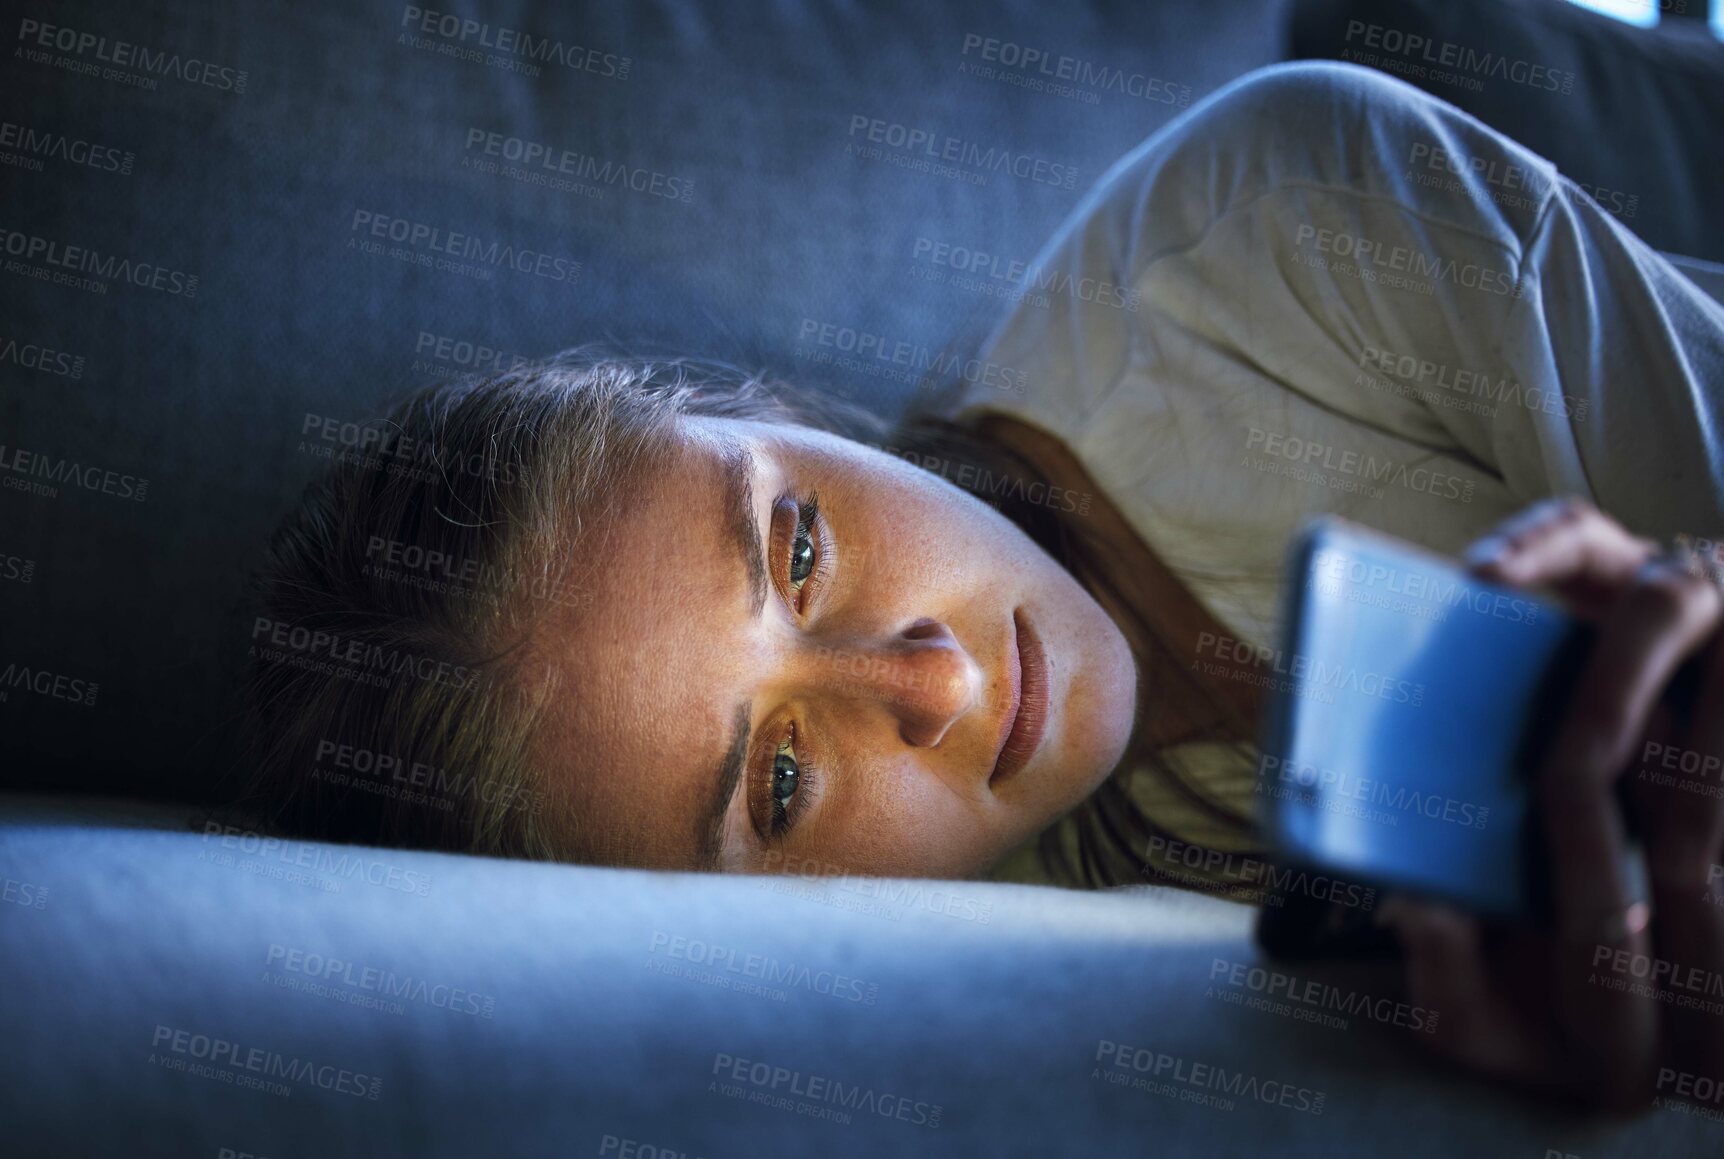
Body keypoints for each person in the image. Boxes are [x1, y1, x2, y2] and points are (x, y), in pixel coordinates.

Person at [238, 63, 1724, 1107]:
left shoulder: (1279, 224)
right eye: (777, 789)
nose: (937, 679)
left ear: (790, 411)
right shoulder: (1024, 997)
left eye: (798, 546)